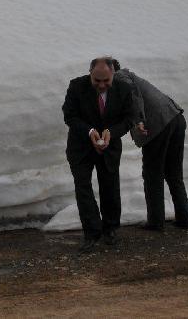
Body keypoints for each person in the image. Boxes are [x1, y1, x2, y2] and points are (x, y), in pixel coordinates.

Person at [62, 57, 133, 253]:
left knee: (110, 185)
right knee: (83, 187)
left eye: (106, 81)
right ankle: (92, 232)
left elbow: (129, 118)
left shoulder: (124, 89)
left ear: (113, 75)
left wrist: (112, 132)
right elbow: (70, 115)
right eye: (97, 81)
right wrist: (89, 131)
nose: (101, 85)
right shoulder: (76, 86)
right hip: (81, 146)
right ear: (90, 74)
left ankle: (110, 228)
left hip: (109, 146)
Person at [112, 60, 188, 231]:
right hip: (176, 118)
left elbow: (133, 96)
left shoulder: (120, 77)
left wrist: (139, 120)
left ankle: (156, 222)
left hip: (157, 125)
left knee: (152, 173)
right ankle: (184, 218)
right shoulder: (129, 77)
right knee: (174, 173)